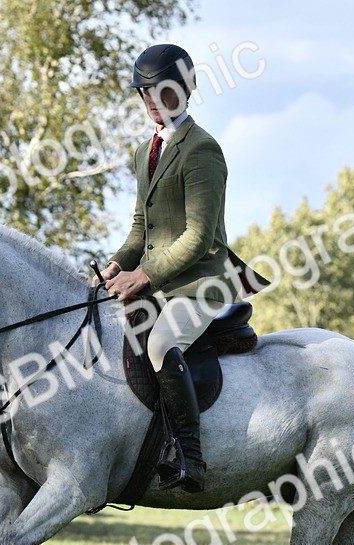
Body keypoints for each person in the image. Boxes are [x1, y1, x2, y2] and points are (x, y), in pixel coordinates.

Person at [95, 43, 260, 493]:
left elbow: (198, 236)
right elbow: (138, 230)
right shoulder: (145, 152)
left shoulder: (202, 149)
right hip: (161, 282)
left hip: (203, 282)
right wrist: (113, 268)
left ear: (186, 90)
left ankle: (190, 456)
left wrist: (143, 276)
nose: (152, 101)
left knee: (161, 342)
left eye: (162, 91)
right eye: (144, 93)